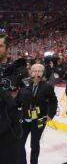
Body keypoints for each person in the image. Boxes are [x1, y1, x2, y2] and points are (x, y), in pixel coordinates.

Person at [19, 63, 57, 164]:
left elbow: (54, 101)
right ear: (31, 73)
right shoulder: (25, 85)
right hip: (25, 118)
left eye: (39, 71)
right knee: (20, 143)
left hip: (40, 119)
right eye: (34, 71)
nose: (37, 73)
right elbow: (19, 100)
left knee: (34, 144)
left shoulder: (47, 86)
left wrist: (50, 115)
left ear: (43, 73)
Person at [0, 33, 24, 164]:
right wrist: (9, 96)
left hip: (10, 132)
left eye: (0, 46)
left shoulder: (17, 72)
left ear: (7, 49)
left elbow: (28, 97)